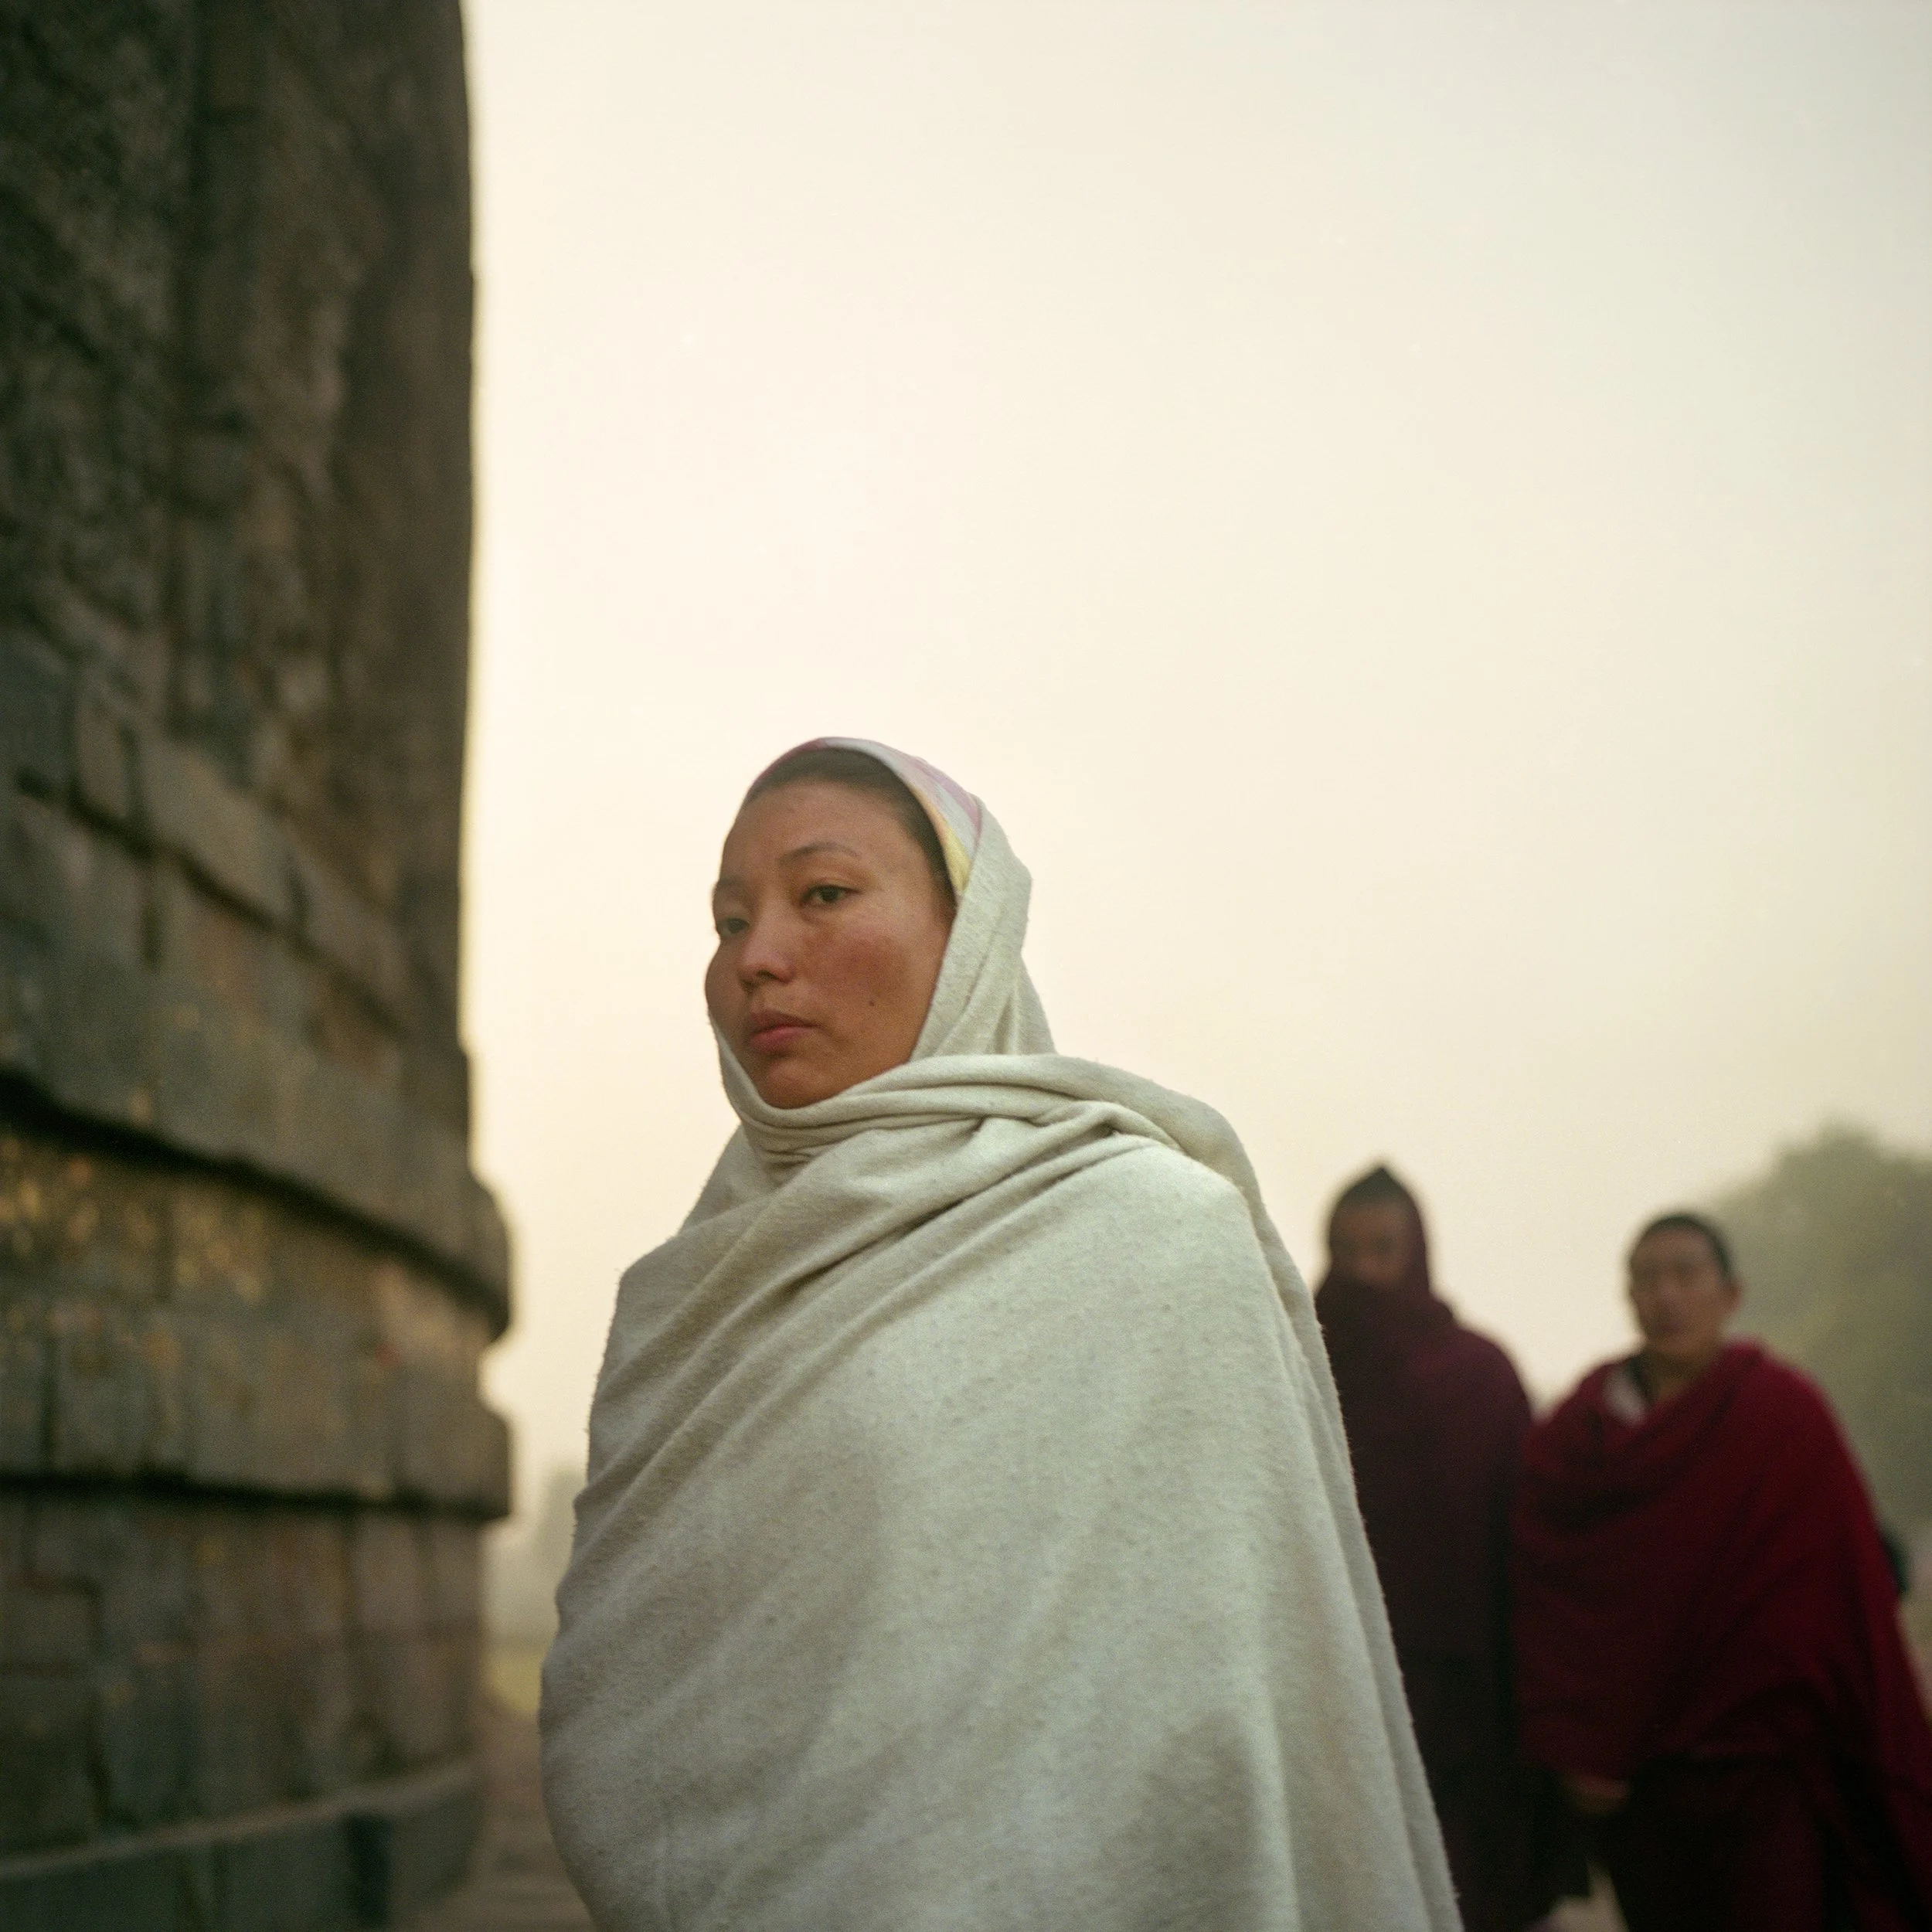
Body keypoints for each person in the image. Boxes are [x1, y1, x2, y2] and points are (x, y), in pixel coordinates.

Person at [541, 739, 1460, 1931]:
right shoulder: (695, 1294)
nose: (757, 959)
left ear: (969, 934)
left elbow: (1225, 1730)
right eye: (728, 921)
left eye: (823, 895)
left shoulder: (1153, 1240)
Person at [1512, 1209, 1932, 1932]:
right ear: (1629, 1298)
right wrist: (1575, 1742)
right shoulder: (1579, 1438)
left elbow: (1845, 1585)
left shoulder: (1783, 1415)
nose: (1667, 1296)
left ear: (1730, 1295)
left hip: (1768, 1771)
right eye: (1648, 1280)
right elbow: (1545, 1596)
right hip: (1637, 1782)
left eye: (1686, 1276)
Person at [1317, 1165, 1561, 1932]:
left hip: (1465, 1693)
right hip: (1339, 1681)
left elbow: (1527, 1541)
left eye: (1383, 1249)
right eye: (1348, 1250)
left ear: (1417, 1252)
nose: (1365, 1271)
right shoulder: (1302, 1367)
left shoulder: (1479, 1376)